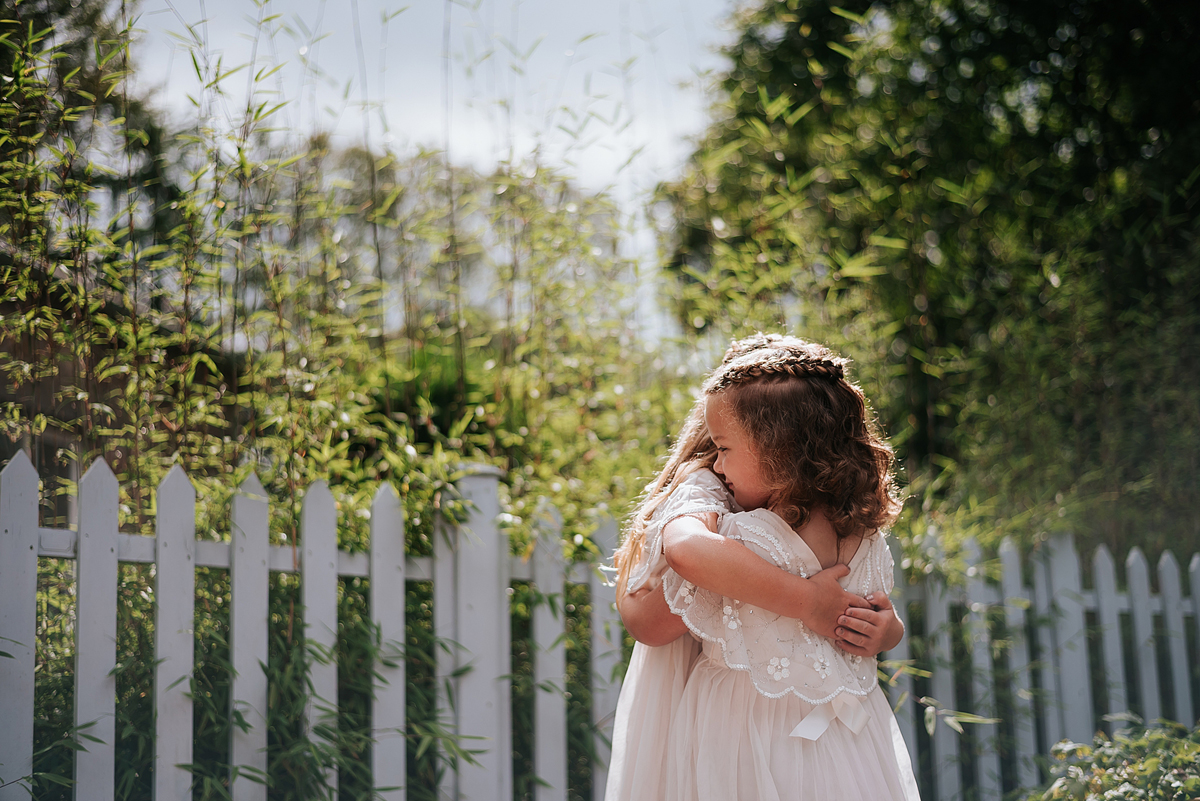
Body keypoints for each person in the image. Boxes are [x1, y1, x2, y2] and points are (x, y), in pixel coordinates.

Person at [604, 335, 906, 801]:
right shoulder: (853, 531)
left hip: (758, 732)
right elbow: (872, 612)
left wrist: (877, 628)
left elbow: (659, 603)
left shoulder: (768, 536)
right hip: (840, 742)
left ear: (781, 451)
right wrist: (845, 616)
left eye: (724, 449)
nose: (718, 463)